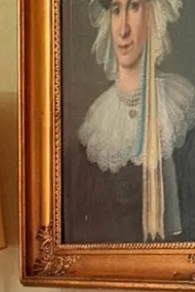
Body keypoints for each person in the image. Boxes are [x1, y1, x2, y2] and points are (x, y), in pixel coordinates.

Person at [65, 0, 195, 243]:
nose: (123, 29)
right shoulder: (93, 135)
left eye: (134, 7)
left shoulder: (184, 113)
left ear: (155, 15)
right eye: (116, 11)